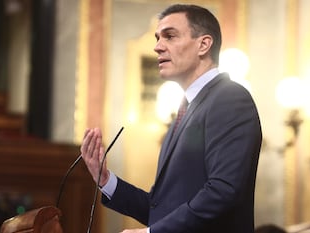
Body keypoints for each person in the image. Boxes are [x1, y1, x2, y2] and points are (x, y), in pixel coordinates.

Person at [81, 4, 262, 233]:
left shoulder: (230, 98)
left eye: (170, 36)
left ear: (204, 44)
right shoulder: (184, 111)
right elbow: (161, 210)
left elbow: (223, 191)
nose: (157, 47)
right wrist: (105, 179)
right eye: (157, 38)